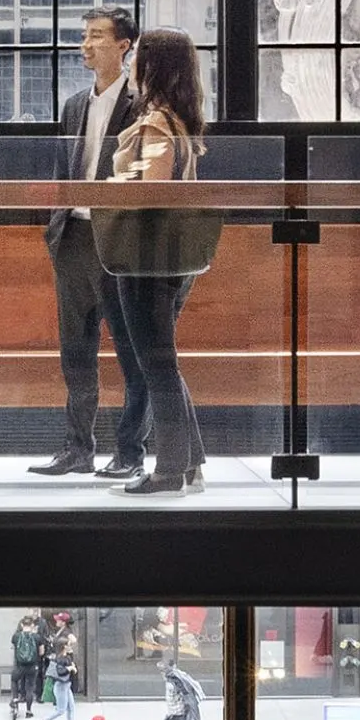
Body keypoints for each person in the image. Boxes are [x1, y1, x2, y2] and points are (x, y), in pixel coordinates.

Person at [30, 9, 148, 479]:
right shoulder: (74, 105)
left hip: (117, 242)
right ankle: (78, 449)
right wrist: (55, 226)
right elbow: (64, 170)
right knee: (74, 350)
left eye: (97, 36)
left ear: (124, 45)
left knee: (129, 351)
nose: (86, 44)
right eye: (84, 36)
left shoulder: (142, 105)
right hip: (73, 237)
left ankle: (131, 453)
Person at [106, 27, 211, 496]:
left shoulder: (156, 124)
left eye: (136, 58)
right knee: (164, 361)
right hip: (172, 259)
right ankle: (189, 464)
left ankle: (170, 470)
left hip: (146, 257)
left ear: (150, 66)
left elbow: (150, 189)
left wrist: (110, 191)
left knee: (156, 364)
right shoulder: (180, 120)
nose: (130, 65)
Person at [38, 632, 80, 720]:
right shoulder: (60, 659)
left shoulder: (66, 657)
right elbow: (60, 672)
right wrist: (69, 668)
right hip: (61, 685)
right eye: (69, 645)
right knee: (61, 710)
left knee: (71, 707)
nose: (70, 647)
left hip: (66, 685)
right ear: (64, 647)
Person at [8, 612, 45, 720]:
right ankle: (28, 711)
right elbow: (42, 652)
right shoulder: (37, 637)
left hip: (19, 666)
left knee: (14, 681)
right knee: (30, 687)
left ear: (22, 625)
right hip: (32, 667)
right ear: (32, 625)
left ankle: (15, 700)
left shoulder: (16, 636)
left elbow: (13, 648)